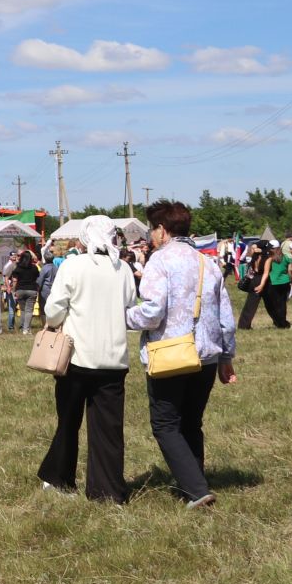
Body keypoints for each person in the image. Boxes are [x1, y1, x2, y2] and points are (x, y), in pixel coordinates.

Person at [127, 200, 237, 509]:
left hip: (172, 353)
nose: (150, 235)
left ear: (162, 230)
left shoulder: (159, 262)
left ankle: (196, 490)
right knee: (192, 422)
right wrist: (226, 358)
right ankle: (194, 482)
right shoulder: (208, 263)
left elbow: (151, 313)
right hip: (207, 355)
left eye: (152, 228)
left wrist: (122, 317)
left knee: (165, 424)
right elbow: (225, 317)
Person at [38, 216, 139, 503]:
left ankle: (60, 479)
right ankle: (107, 491)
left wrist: (55, 321)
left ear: (85, 237)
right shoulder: (124, 269)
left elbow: (54, 309)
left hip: (76, 357)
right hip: (114, 359)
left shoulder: (73, 265)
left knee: (68, 421)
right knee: (108, 429)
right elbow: (131, 306)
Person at [10, 249, 42, 335]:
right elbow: (37, 278)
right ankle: (26, 329)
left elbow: (15, 280)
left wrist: (14, 290)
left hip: (20, 290)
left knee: (23, 310)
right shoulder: (34, 268)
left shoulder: (18, 268)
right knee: (29, 310)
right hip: (32, 290)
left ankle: (23, 327)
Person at [260, 240, 291, 329]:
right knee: (282, 304)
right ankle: (283, 322)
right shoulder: (285, 257)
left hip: (274, 283)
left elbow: (266, 272)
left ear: (272, 249)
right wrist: (290, 279)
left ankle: (280, 323)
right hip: (285, 282)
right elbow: (290, 269)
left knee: (274, 304)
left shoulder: (270, 259)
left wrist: (261, 284)